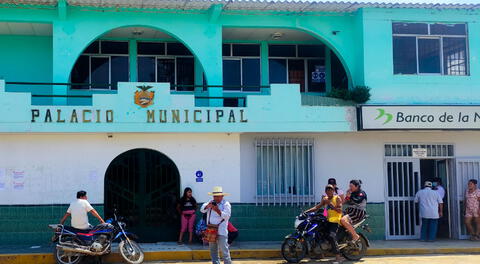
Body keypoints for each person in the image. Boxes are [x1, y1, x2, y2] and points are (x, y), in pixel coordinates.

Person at [305, 185, 343, 263]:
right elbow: (316, 207)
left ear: (333, 191)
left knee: (331, 236)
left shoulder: (337, 198)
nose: (329, 192)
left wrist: (330, 204)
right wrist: (306, 212)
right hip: (327, 220)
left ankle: (338, 257)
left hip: (335, 221)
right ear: (325, 192)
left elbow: (339, 210)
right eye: (327, 190)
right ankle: (320, 254)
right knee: (318, 233)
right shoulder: (325, 199)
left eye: (331, 190)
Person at [200, 186, 232, 264]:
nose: (216, 198)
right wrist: (208, 206)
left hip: (221, 230)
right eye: (215, 196)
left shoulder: (226, 204)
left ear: (222, 196)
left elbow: (227, 216)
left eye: (218, 196)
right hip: (211, 230)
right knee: (213, 251)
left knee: (224, 251)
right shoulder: (210, 202)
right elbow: (202, 210)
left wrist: (217, 210)